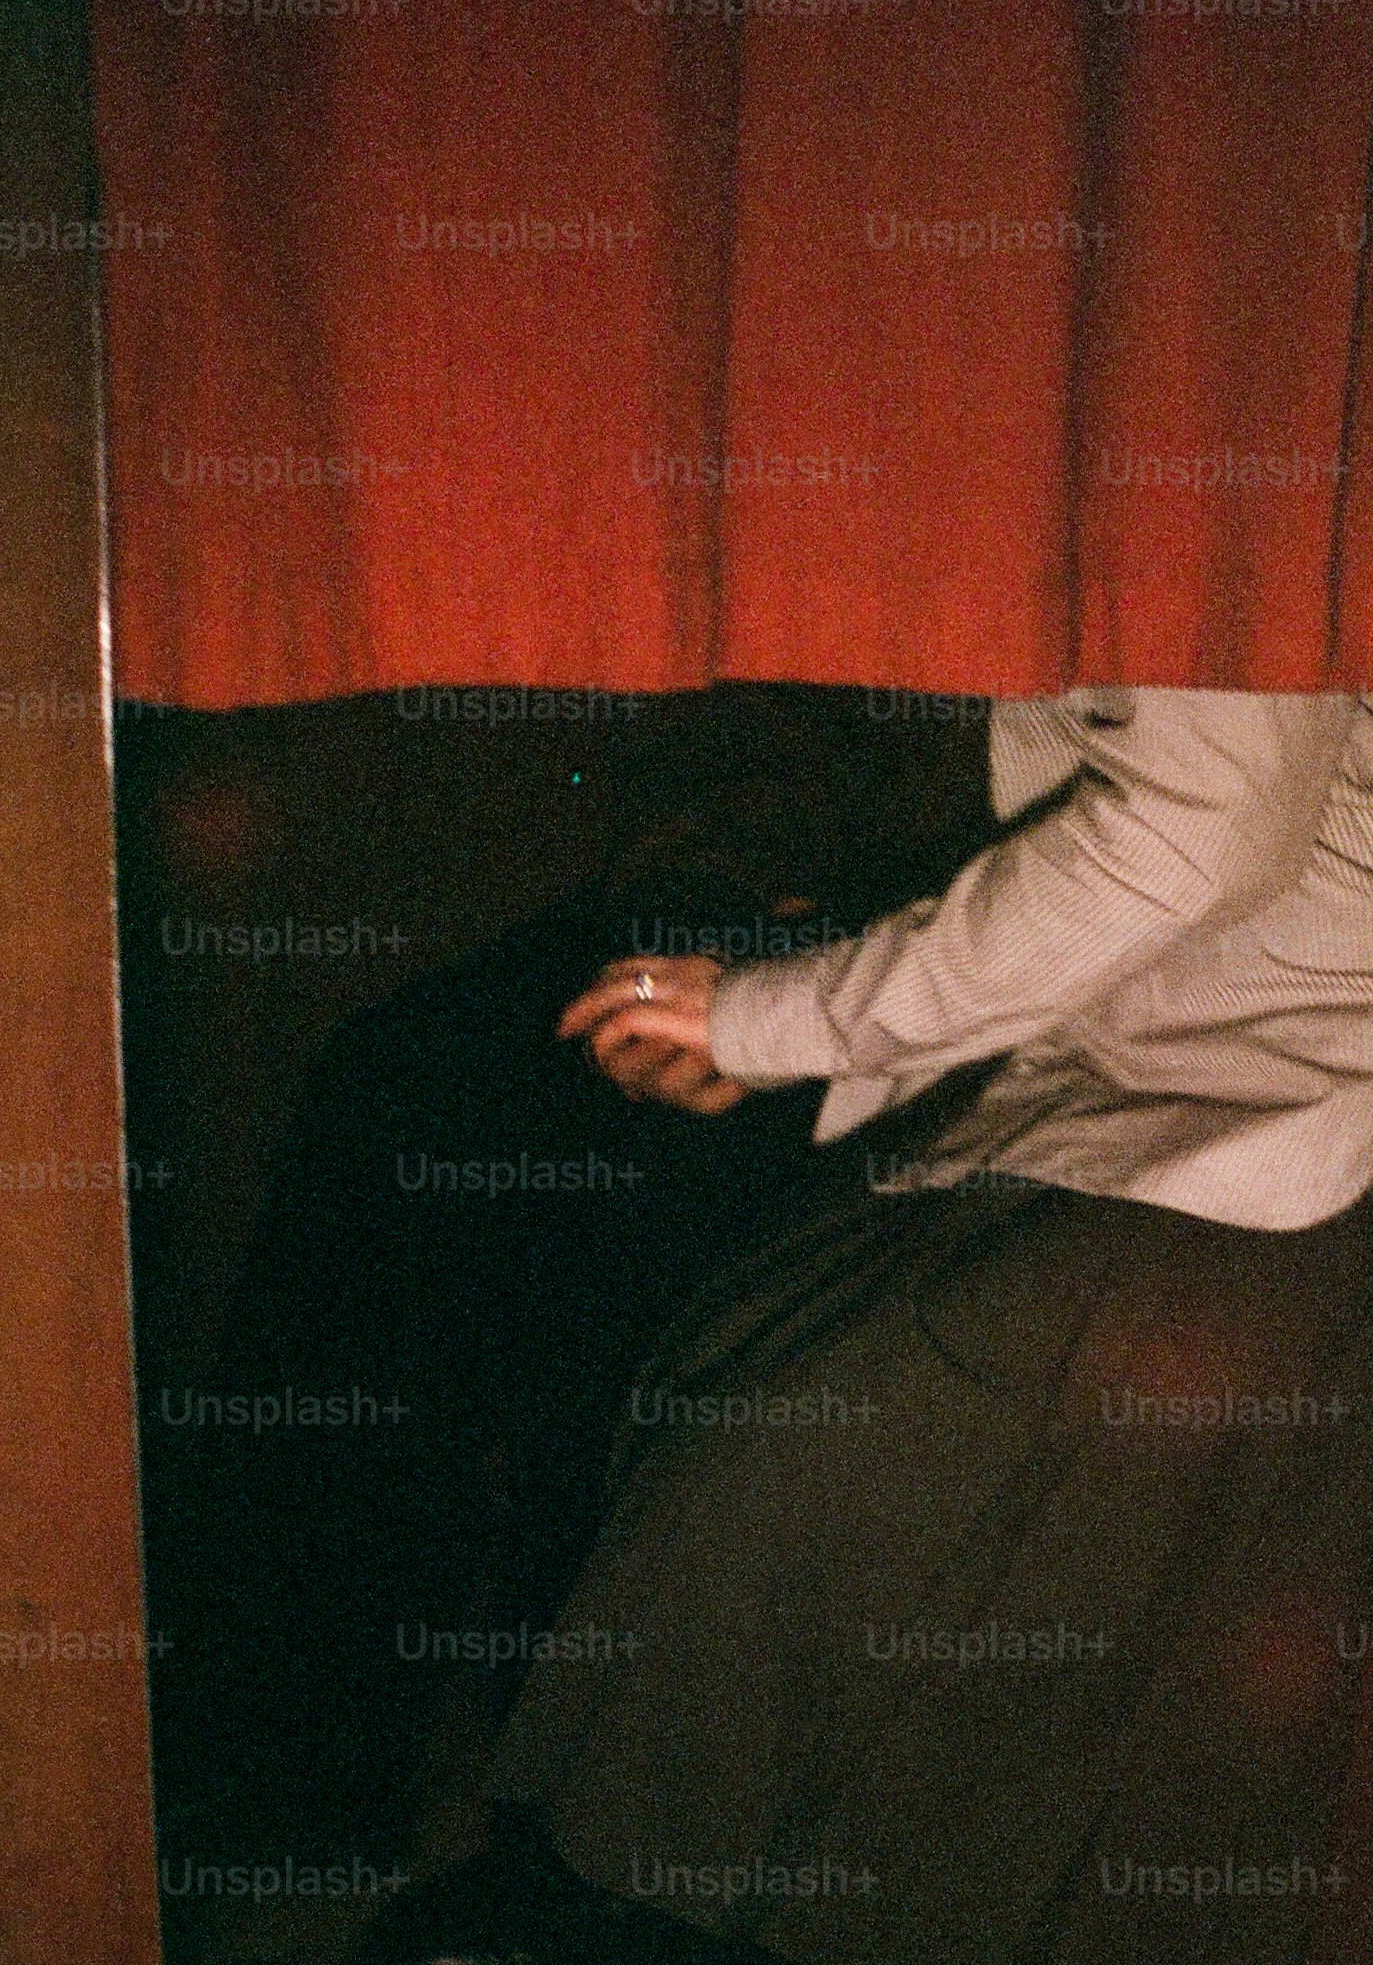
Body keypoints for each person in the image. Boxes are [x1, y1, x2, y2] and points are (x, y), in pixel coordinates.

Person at [368, 684, 1373, 1965]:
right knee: (734, 1399)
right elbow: (1077, 759)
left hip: (1294, 1100)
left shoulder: (1237, 439)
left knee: (821, 1480)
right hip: (1140, 1047)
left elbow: (1198, 827)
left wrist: (778, 1016)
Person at [145, 685, 992, 1873]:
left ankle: (585, 1829)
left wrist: (779, 963)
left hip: (947, 901)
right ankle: (294, 1762)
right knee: (398, 1098)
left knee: (626, 1217)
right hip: (753, 848)